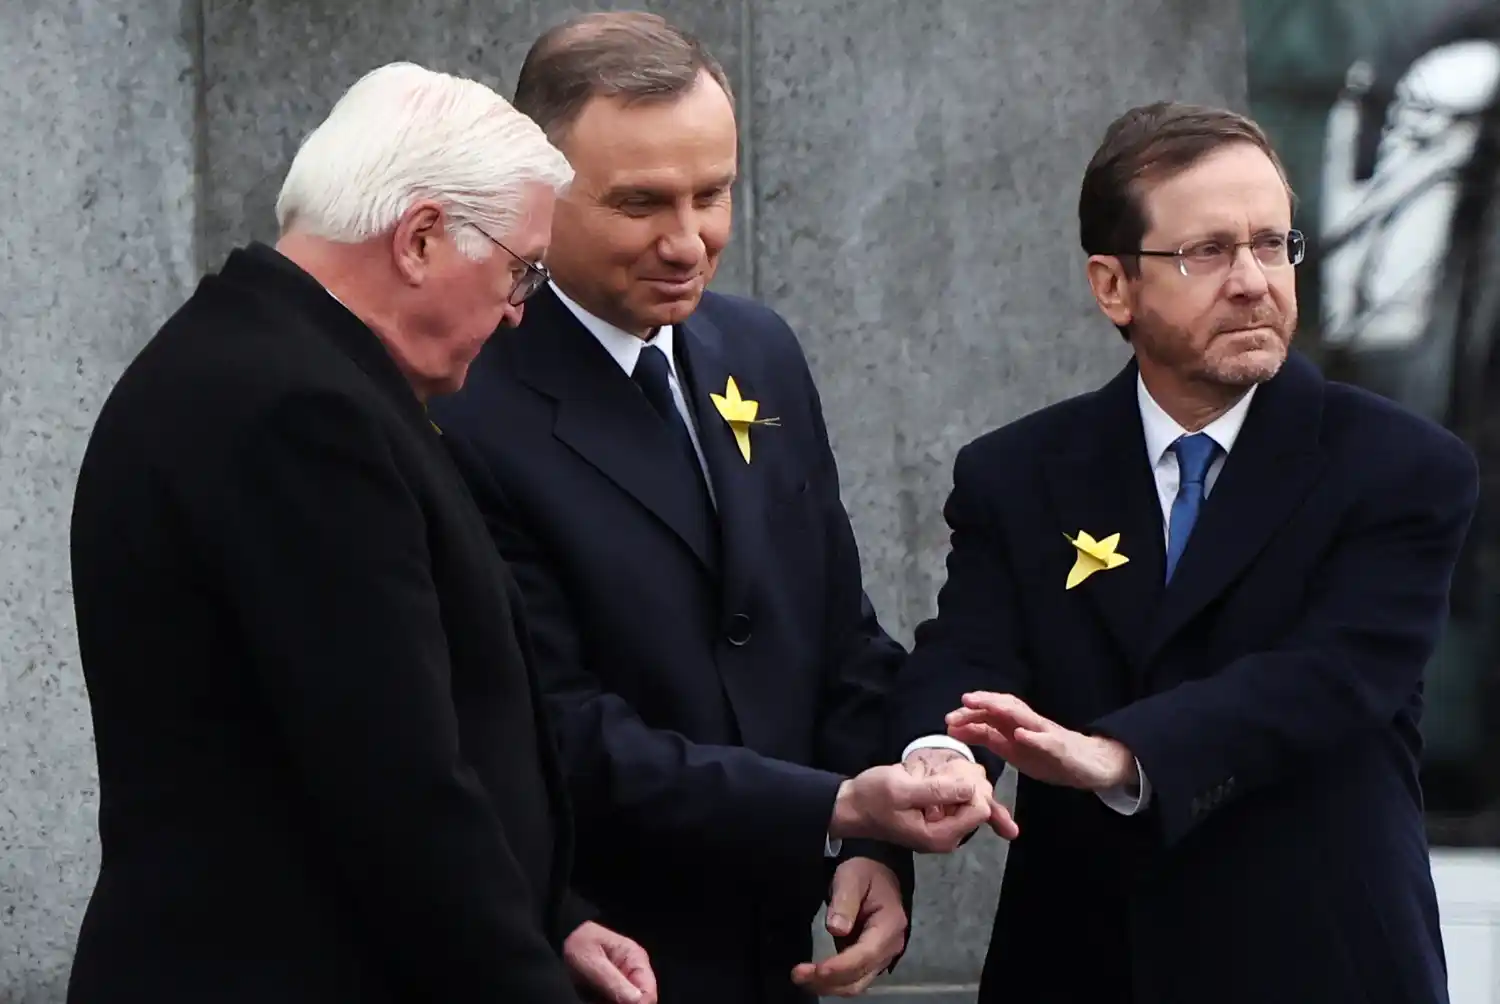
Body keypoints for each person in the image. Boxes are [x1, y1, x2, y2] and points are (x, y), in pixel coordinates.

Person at [428, 13, 999, 1004]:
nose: (688, 241)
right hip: (600, 960)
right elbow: (548, 726)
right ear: (536, 192)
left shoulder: (758, 348)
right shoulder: (470, 402)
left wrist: (868, 845)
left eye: (714, 193)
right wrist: (835, 803)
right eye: (641, 202)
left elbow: (836, 636)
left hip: (781, 955)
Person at [66, 62, 656, 1004]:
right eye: (520, 271)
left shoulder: (267, 364)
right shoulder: (301, 414)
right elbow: (393, 781)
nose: (516, 311)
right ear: (420, 237)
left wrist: (554, 916)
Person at [889, 101, 1479, 1004]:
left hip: (1321, 962)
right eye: (1205, 252)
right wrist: (942, 754)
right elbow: (969, 652)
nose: (1252, 281)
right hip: (1087, 963)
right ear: (1112, 285)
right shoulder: (1019, 473)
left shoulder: (1399, 468)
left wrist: (1121, 756)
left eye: (1273, 244)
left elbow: (1332, 678)